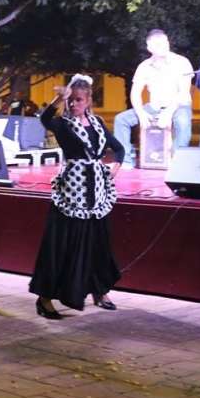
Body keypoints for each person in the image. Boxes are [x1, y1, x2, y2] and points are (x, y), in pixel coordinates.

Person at [30, 75, 124, 319]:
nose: (73, 104)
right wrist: (57, 99)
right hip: (72, 192)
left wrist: (113, 169)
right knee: (63, 244)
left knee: (97, 244)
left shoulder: (97, 123)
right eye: (70, 100)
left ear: (88, 100)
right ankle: (45, 299)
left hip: (96, 193)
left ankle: (99, 291)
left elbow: (119, 148)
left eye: (78, 100)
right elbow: (45, 119)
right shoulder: (63, 124)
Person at [114, 29, 194, 167]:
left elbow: (183, 92)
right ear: (149, 48)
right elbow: (135, 93)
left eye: (164, 43)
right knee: (121, 120)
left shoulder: (182, 62)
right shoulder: (144, 66)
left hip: (178, 105)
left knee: (182, 122)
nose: (162, 47)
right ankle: (125, 160)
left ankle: (177, 161)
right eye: (157, 44)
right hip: (154, 106)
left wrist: (168, 113)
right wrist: (141, 113)